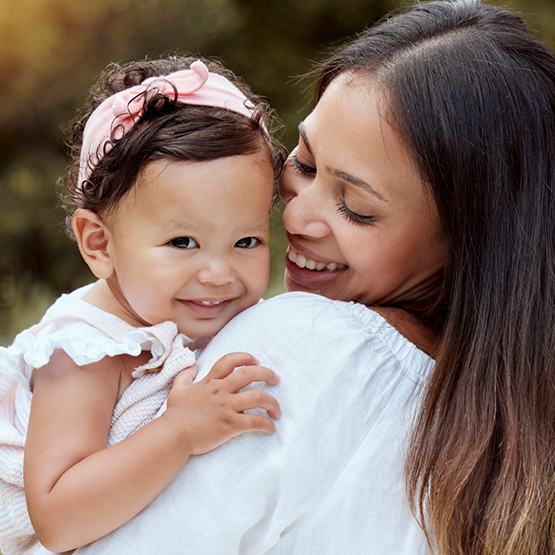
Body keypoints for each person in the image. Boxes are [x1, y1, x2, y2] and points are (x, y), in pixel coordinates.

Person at [69, 1, 555, 554]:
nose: (294, 217)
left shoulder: (308, 349)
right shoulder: (507, 436)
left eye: (355, 207)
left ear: (468, 241)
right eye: (302, 162)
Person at [0, 56, 286, 555]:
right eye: (182, 242)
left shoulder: (188, 312)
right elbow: (58, 518)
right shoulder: (86, 351)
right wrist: (179, 431)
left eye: (246, 241)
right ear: (99, 244)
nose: (219, 273)